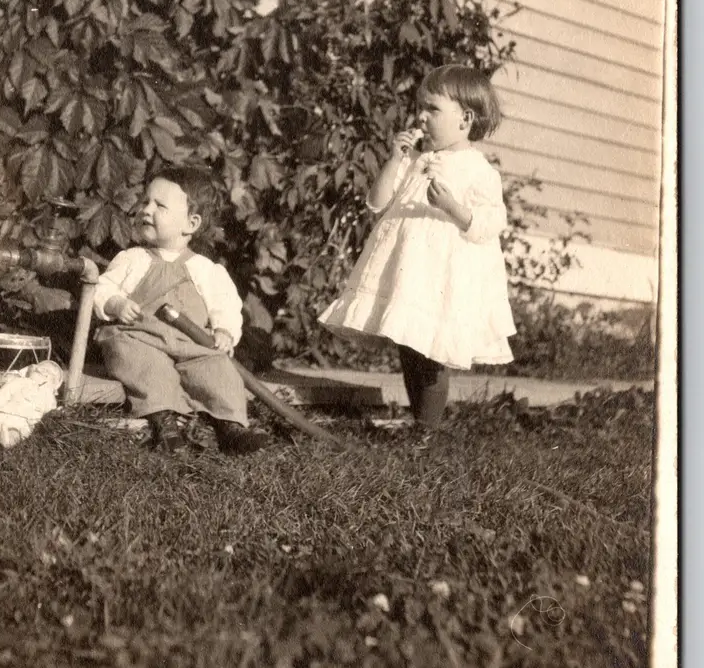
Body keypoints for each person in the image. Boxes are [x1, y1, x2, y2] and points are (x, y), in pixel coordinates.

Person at [318, 64, 515, 431]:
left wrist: (454, 208)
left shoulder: (478, 170)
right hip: (409, 269)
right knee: (409, 345)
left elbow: (491, 223)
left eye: (433, 109)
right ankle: (420, 421)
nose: (421, 117)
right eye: (420, 107)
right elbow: (376, 203)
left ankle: (429, 429)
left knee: (431, 348)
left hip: (442, 274)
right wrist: (395, 160)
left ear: (465, 119)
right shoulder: (417, 161)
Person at [93, 166, 269, 454]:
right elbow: (102, 288)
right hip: (142, 338)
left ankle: (231, 426)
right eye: (146, 202)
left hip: (191, 343)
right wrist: (116, 303)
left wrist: (224, 330)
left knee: (218, 367)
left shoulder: (205, 269)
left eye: (159, 205)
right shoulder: (133, 259)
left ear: (191, 223)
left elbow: (225, 304)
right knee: (143, 363)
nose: (146, 210)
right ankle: (164, 425)